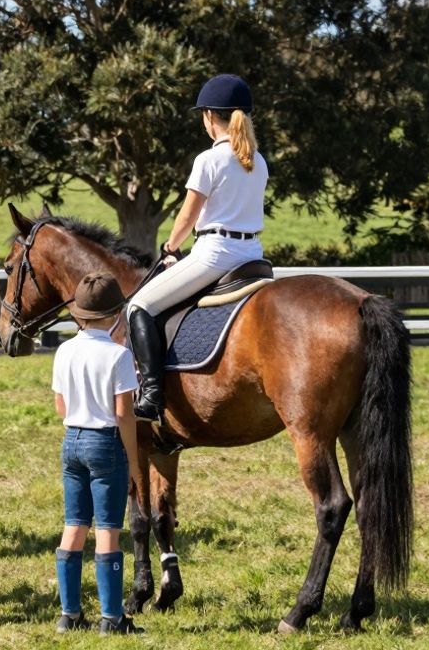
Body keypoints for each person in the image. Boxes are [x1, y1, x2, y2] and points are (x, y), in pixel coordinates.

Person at [126, 74, 268, 422]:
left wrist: (171, 247)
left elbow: (189, 214)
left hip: (216, 253)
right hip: (252, 256)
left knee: (138, 305)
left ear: (209, 117)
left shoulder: (209, 160)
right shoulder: (257, 161)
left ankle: (152, 396)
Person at [51, 273, 145, 635]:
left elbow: (61, 406)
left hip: (71, 440)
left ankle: (69, 614)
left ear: (78, 314)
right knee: (108, 529)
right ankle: (112, 617)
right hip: (106, 442)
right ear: (116, 314)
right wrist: (134, 465)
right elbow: (124, 414)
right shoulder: (119, 356)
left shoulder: (64, 350)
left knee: (74, 525)